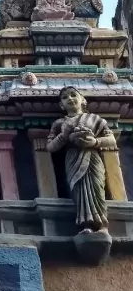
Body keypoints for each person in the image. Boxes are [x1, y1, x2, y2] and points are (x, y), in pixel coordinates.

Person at [46, 86, 116, 234]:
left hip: (92, 157)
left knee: (97, 188)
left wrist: (95, 142)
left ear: (83, 100)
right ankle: (86, 225)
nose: (70, 98)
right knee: (79, 190)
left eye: (73, 95)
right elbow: (51, 147)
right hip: (73, 158)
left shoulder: (96, 119)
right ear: (61, 105)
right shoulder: (59, 123)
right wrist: (64, 135)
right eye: (65, 97)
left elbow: (111, 140)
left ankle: (102, 226)